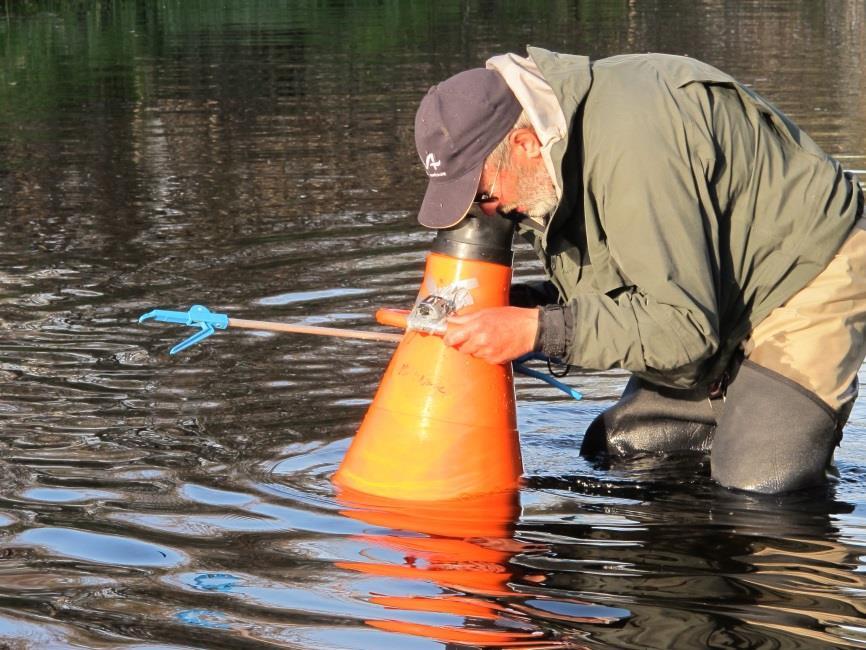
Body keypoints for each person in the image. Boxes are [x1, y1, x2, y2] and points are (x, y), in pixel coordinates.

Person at [412, 47, 866, 495]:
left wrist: (536, 332)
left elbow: (682, 328)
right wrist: (528, 305)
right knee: (619, 448)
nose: (488, 211)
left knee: (758, 488)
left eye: (483, 193)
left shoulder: (635, 144)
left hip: (808, 272)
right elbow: (626, 282)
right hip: (716, 294)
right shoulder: (549, 165)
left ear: (524, 144)